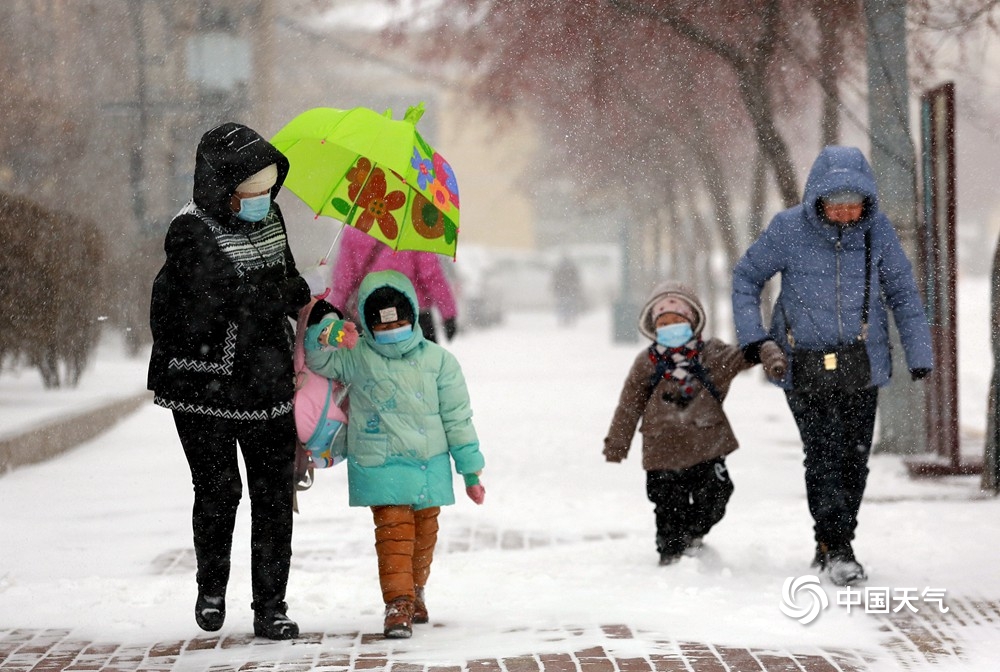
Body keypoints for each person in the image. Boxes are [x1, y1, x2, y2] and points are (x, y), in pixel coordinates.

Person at [148, 122, 334, 639]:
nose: (261, 200)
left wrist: (323, 311)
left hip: (268, 378)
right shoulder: (189, 230)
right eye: (250, 192)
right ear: (221, 188)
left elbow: (287, 288)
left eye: (268, 190)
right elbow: (230, 300)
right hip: (203, 383)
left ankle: (271, 605)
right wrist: (292, 288)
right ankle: (212, 589)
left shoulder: (272, 218)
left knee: (273, 494)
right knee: (219, 490)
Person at [731, 145, 933, 586]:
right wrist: (755, 340)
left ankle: (831, 542)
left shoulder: (877, 232)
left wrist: (919, 352)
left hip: (863, 364)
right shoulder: (787, 229)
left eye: (853, 204)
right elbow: (746, 278)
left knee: (854, 461)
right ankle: (839, 547)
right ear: (817, 199)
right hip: (801, 364)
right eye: (835, 204)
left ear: (867, 201)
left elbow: (903, 294)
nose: (845, 213)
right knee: (823, 453)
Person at [304, 269, 485, 639]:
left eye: (399, 321)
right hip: (380, 464)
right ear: (368, 325)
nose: (391, 331)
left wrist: (471, 471)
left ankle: (415, 590)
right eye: (382, 325)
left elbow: (458, 419)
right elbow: (317, 360)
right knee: (394, 535)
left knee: (424, 535)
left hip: (427, 463)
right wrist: (326, 333)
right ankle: (398, 602)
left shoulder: (440, 363)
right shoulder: (356, 355)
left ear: (414, 317)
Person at [603, 282, 787, 566]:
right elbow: (629, 406)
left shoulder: (711, 355)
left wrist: (768, 352)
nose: (671, 326)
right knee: (667, 507)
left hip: (707, 446)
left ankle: (691, 535)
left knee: (716, 495)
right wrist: (617, 443)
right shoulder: (646, 363)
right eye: (664, 322)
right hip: (661, 451)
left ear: (692, 321)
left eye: (678, 320)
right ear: (653, 326)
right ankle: (671, 554)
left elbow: (743, 356)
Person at [328, 225, 459, 343]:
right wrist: (448, 314)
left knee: (372, 366)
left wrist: (333, 315)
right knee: (422, 366)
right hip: (413, 318)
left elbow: (343, 279)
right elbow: (431, 276)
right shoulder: (415, 230)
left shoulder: (357, 229)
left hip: (370, 317)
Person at [551, 255, 583, 326]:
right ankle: (569, 319)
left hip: (562, 290)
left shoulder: (559, 269)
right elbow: (577, 279)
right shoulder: (572, 268)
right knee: (569, 305)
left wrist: (555, 288)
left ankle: (564, 319)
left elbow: (555, 280)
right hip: (570, 290)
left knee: (562, 305)